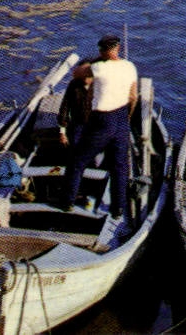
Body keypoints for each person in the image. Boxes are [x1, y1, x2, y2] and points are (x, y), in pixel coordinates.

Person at [61, 35, 138, 232]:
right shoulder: (130, 67)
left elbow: (76, 72)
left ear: (102, 51)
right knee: (119, 167)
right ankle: (118, 209)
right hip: (122, 118)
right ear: (118, 48)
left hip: (103, 120)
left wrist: (98, 61)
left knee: (78, 161)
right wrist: (126, 118)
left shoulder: (99, 67)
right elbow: (133, 97)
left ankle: (68, 202)